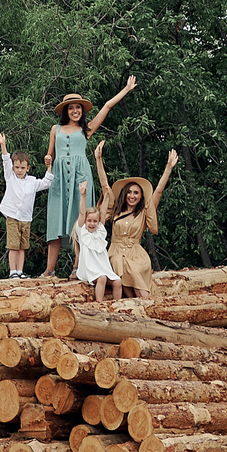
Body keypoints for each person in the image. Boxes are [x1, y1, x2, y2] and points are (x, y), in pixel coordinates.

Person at [43, 75, 139, 277]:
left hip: (80, 179)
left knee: (83, 222)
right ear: (66, 111)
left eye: (78, 108)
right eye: (71, 108)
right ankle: (49, 270)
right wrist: (47, 161)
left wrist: (126, 89)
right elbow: (50, 156)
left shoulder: (86, 130)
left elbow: (107, 106)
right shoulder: (55, 129)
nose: (75, 111)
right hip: (59, 180)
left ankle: (77, 268)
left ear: (82, 111)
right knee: (55, 221)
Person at [95, 143, 178, 298]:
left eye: (136, 193)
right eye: (129, 192)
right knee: (119, 261)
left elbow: (158, 190)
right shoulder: (115, 210)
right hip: (115, 251)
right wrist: (98, 159)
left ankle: (145, 303)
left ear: (141, 196)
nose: (132, 196)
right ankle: (128, 302)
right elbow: (105, 186)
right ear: (125, 194)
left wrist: (168, 167)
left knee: (132, 269)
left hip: (136, 254)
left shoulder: (144, 212)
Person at [0, 132, 51, 278]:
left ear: (28, 168)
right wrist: (3, 145)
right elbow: (6, 160)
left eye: (22, 168)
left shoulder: (32, 181)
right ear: (13, 168)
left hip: (26, 218)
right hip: (12, 216)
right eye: (17, 167)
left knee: (23, 246)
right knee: (13, 245)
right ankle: (12, 271)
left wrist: (49, 166)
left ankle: (20, 271)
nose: (19, 170)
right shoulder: (10, 177)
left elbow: (46, 183)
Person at [71, 171, 119, 301]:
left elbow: (103, 212)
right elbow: (82, 213)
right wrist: (83, 195)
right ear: (85, 221)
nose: (92, 224)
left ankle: (117, 305)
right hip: (89, 268)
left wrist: (107, 196)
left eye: (94, 221)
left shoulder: (99, 231)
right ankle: (99, 304)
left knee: (117, 281)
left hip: (102, 266)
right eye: (89, 221)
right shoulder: (83, 231)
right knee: (102, 278)